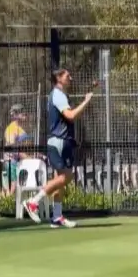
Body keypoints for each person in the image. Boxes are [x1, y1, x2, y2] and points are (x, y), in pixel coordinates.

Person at [22, 69, 93, 228]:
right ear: (59, 79)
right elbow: (70, 115)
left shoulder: (58, 95)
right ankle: (33, 202)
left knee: (59, 181)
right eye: (68, 76)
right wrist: (86, 101)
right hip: (59, 142)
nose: (71, 78)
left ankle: (57, 216)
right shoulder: (58, 95)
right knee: (65, 177)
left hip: (61, 142)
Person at [2, 105, 32, 193]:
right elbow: (12, 148)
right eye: (21, 112)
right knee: (13, 186)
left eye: (24, 111)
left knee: (20, 186)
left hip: (20, 162)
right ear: (14, 115)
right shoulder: (11, 129)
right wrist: (26, 156)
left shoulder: (21, 128)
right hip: (11, 161)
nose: (24, 113)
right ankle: (6, 204)